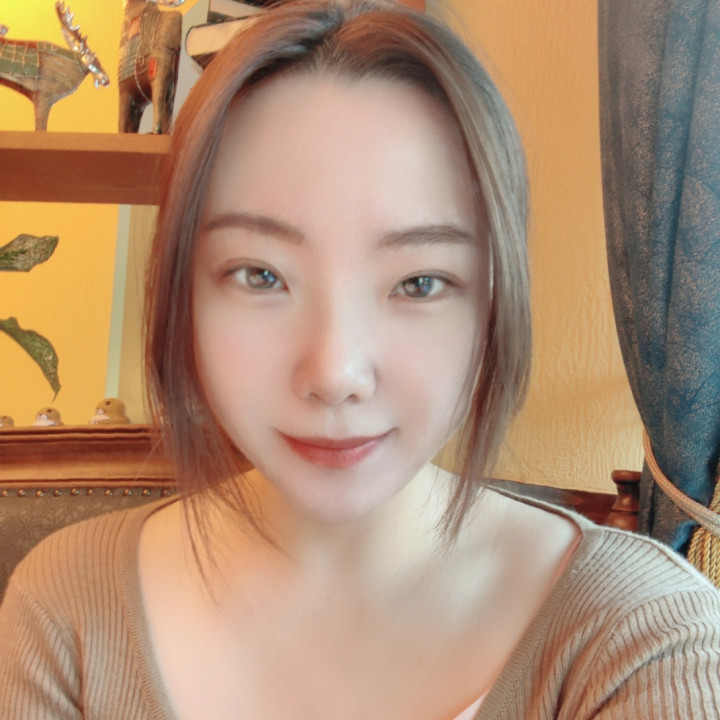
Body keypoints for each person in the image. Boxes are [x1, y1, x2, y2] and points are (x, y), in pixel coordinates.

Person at [1, 1, 719, 718]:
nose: (335, 374)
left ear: (494, 302)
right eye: (260, 275)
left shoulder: (642, 638)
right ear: (183, 288)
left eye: (419, 283)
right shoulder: (68, 612)